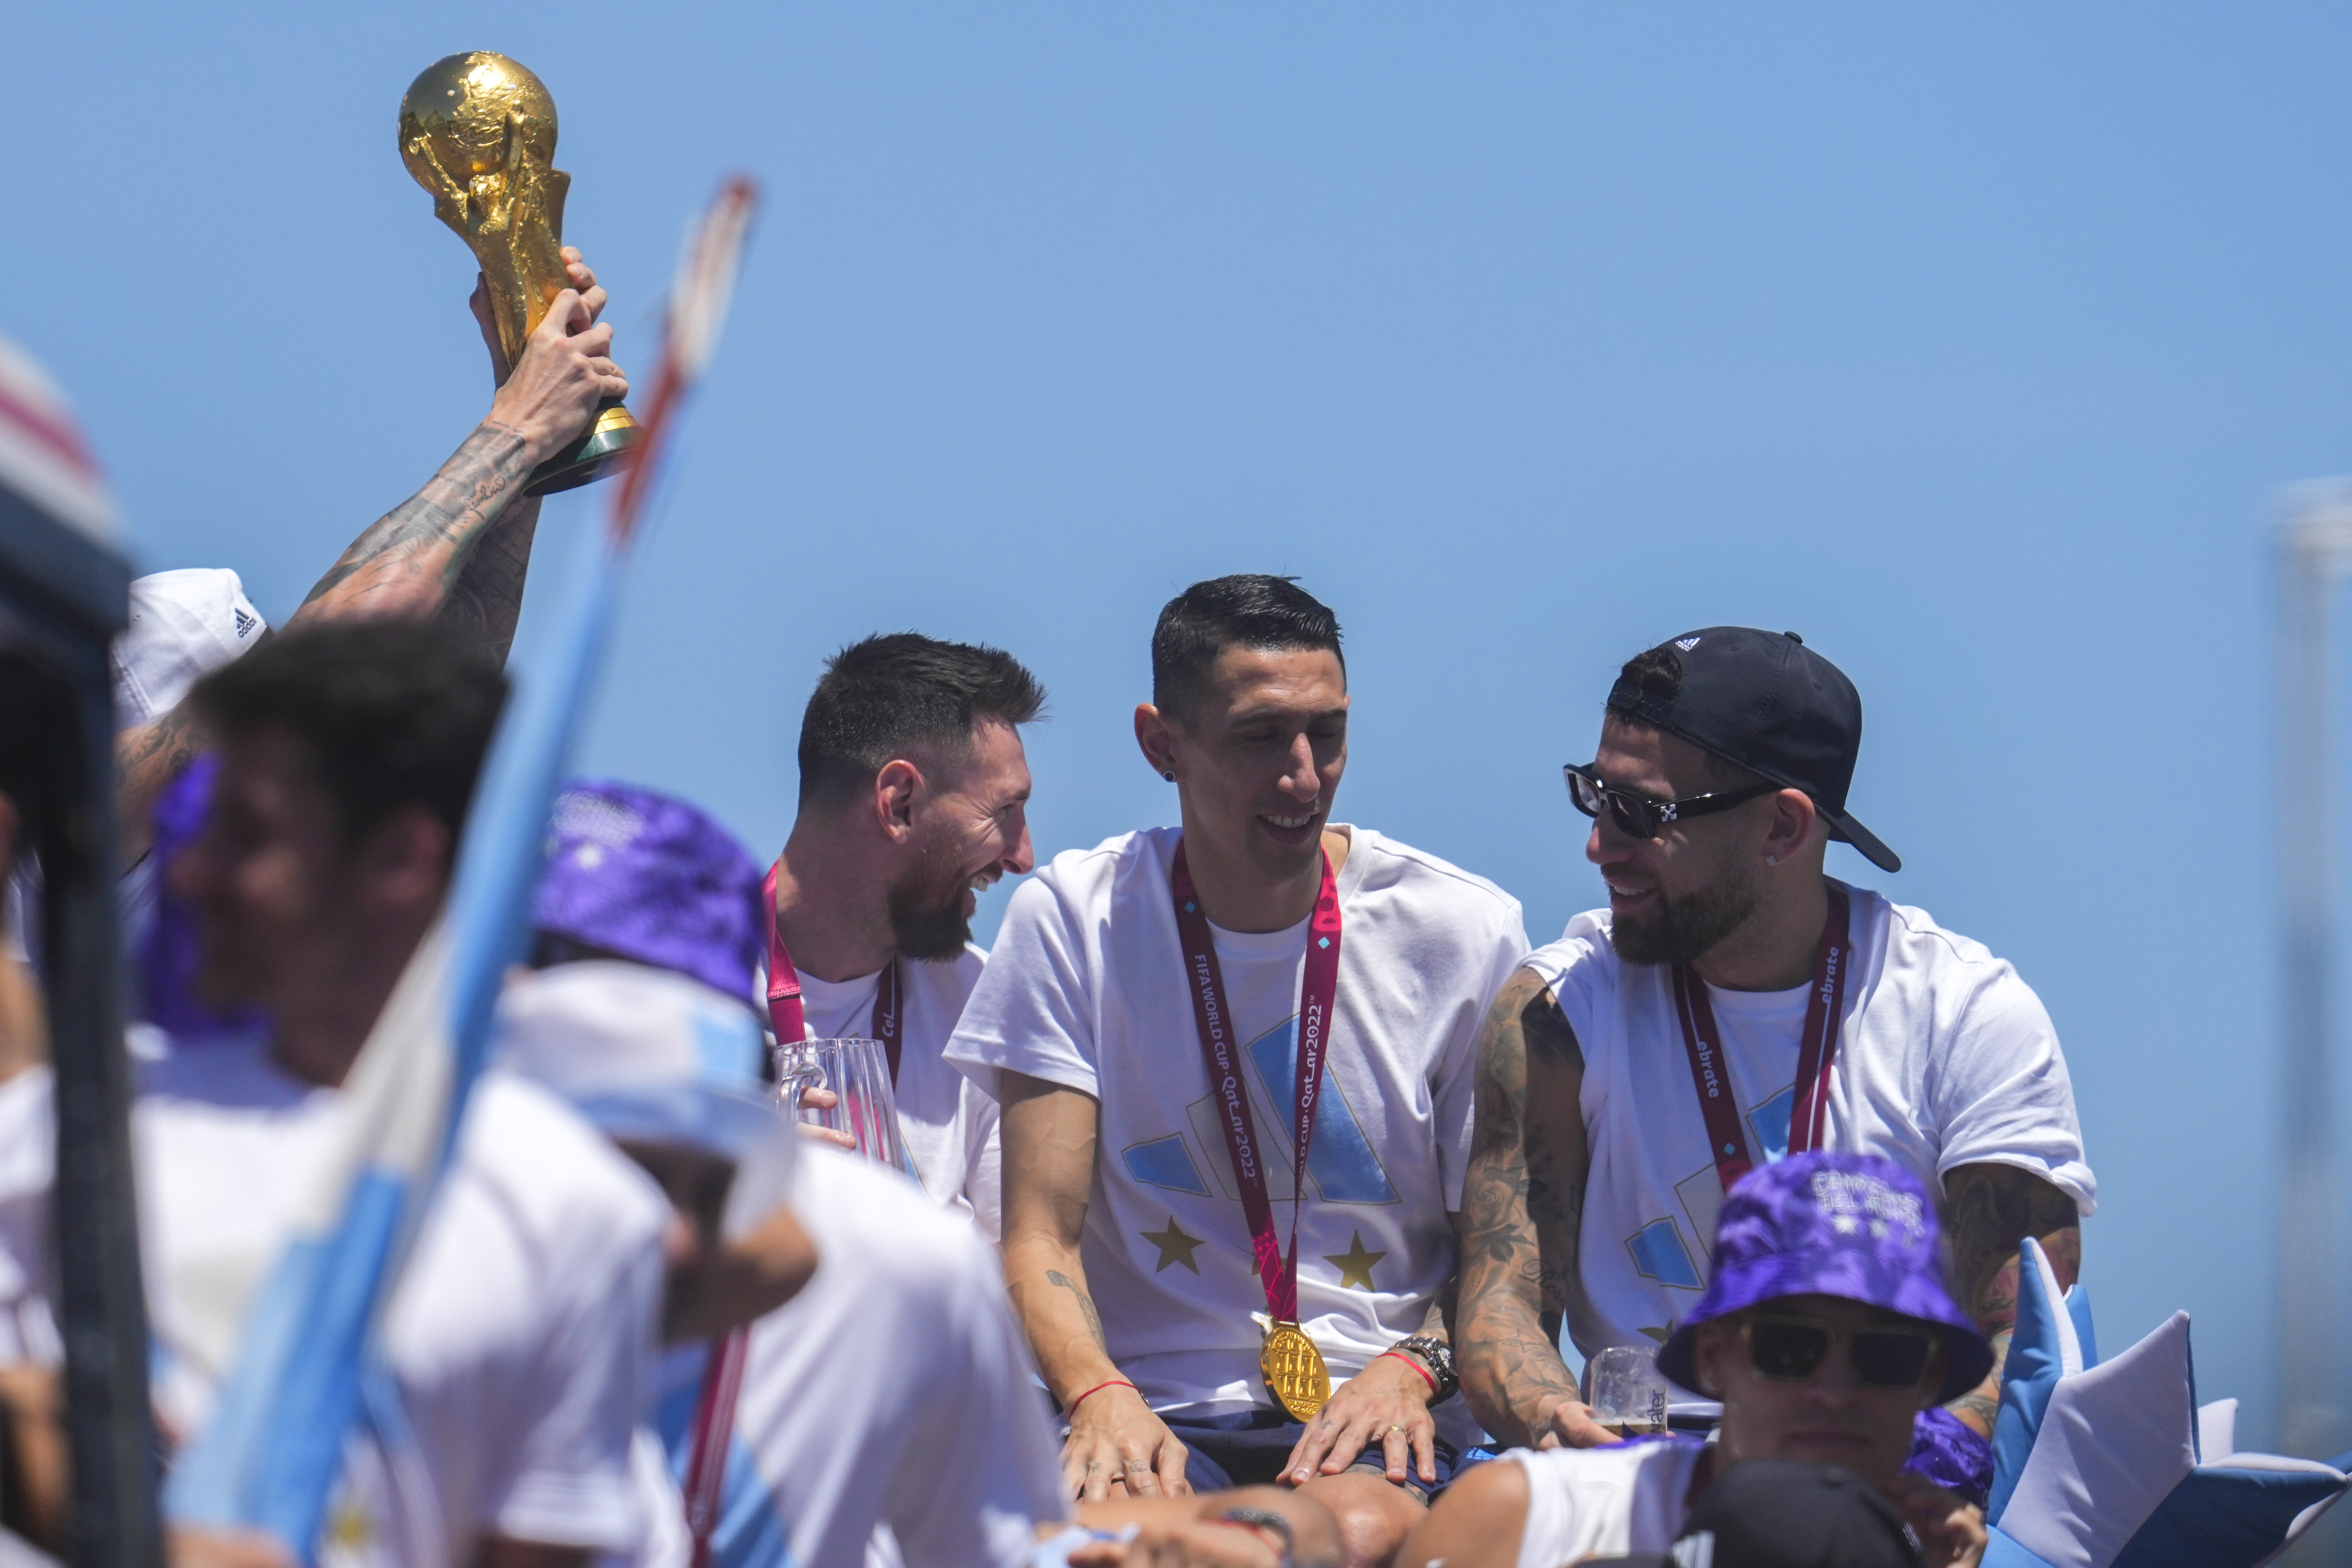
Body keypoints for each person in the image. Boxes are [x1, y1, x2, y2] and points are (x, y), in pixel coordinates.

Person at [947, 575, 1529, 1568]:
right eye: (1261, 737)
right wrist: (1097, 1395)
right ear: (1161, 743)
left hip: (1376, 1413)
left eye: (1327, 734)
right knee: (1116, 1549)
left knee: (1350, 1531)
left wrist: (1414, 1367)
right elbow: (1037, 1232)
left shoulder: (1461, 930)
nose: (1303, 776)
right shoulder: (1074, 918)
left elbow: (1507, 1252)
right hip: (1150, 1412)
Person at [1453, 628, 2093, 1464]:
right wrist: (1558, 1424)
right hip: (1637, 1471)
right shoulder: (1558, 1012)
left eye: (1641, 811)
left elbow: (2026, 1336)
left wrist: (1915, 1465)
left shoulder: (1964, 1012)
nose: (1599, 843)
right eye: (1593, 794)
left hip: (1893, 1480)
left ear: (1783, 830)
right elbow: (1502, 1301)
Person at [139, 620, 671, 1568]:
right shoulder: (68, 1133)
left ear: (398, 861)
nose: (192, 872)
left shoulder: (572, 1215)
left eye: (246, 834)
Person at [506, 779, 1067, 1568]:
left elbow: (1006, 1550)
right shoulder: (345, 1239)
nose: (660, 1236)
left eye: (693, 1179)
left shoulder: (900, 1262)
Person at [111, 248, 627, 871]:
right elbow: (314, 683)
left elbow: (426, 672)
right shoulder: (76, 817)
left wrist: (533, 446)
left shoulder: (197, 895)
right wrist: (516, 433)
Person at [1401, 1153, 1988, 1568]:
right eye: (1789, 1348)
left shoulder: (1941, 1554)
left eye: (1888, 1354)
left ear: (1931, 1379)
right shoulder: (1526, 1521)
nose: (1834, 1390)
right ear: (1713, 1359)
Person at [761, 633, 1043, 1237]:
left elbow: (1021, 1274)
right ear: (901, 802)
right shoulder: (676, 983)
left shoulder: (986, 1004)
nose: (1024, 857)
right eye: (1004, 813)